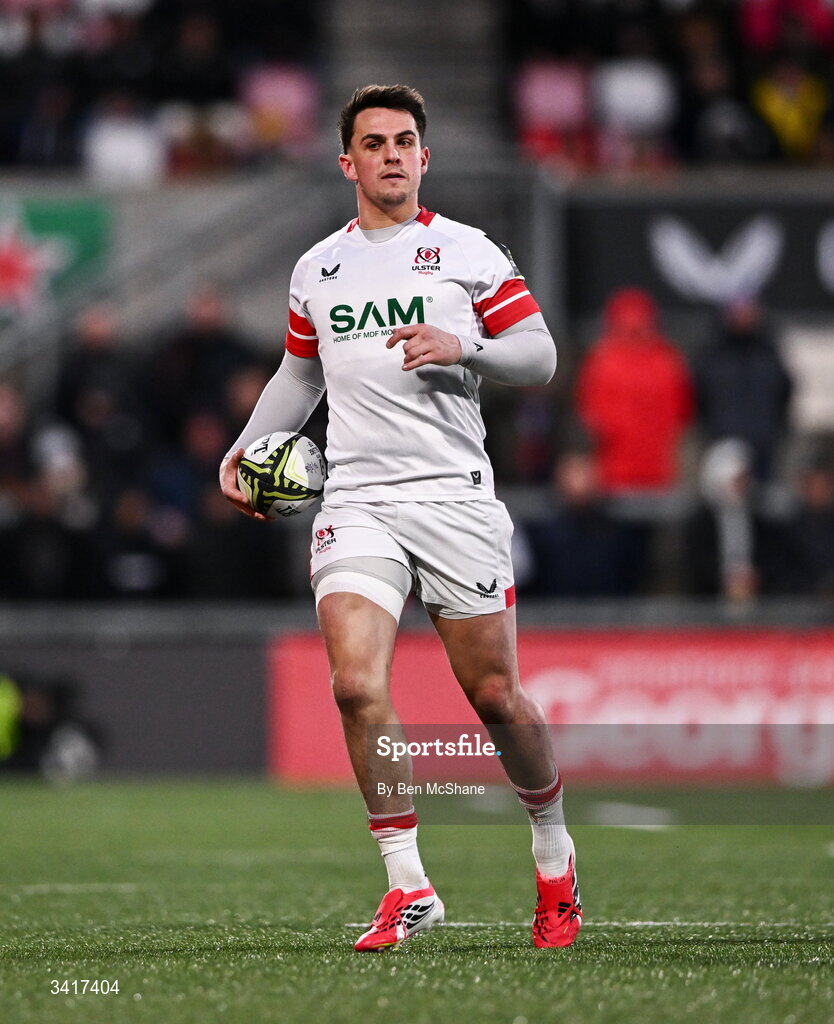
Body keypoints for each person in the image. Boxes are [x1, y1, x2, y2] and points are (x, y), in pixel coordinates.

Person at [219, 84, 580, 950]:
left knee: (494, 696)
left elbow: (540, 356)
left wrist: (466, 347)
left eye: (405, 141)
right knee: (354, 684)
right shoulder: (318, 268)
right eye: (374, 143)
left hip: (454, 496)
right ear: (347, 162)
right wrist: (243, 449)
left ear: (424, 158)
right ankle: (408, 884)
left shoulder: (467, 252)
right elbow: (299, 375)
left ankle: (554, 852)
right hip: (357, 500)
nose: (391, 154)